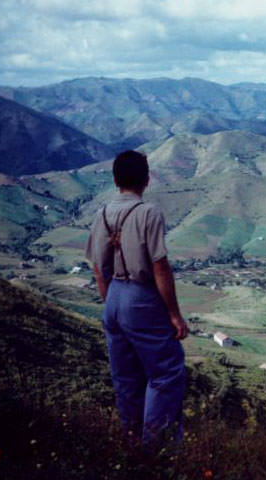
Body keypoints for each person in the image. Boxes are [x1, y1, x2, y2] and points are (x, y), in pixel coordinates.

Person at [85, 150, 188, 447]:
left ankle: (130, 444)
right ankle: (157, 449)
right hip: (141, 298)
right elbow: (159, 266)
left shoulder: (101, 213)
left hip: (114, 297)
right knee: (166, 373)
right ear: (146, 179)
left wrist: (111, 302)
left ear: (115, 180)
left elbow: (98, 268)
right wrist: (174, 314)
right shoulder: (149, 213)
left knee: (126, 378)